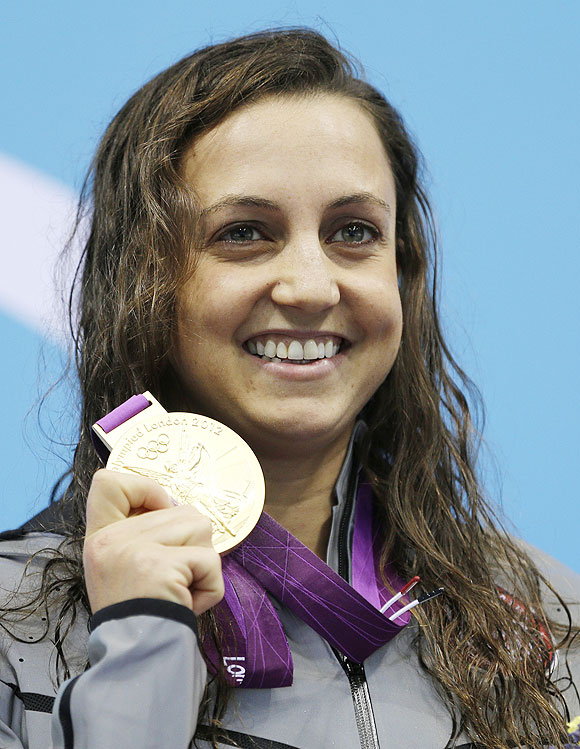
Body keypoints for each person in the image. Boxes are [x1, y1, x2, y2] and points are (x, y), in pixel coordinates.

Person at [1, 28, 579, 749]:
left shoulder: (543, 620)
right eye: (245, 232)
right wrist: (142, 646)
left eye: (353, 232)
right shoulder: (10, 627)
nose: (310, 285)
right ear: (144, 282)